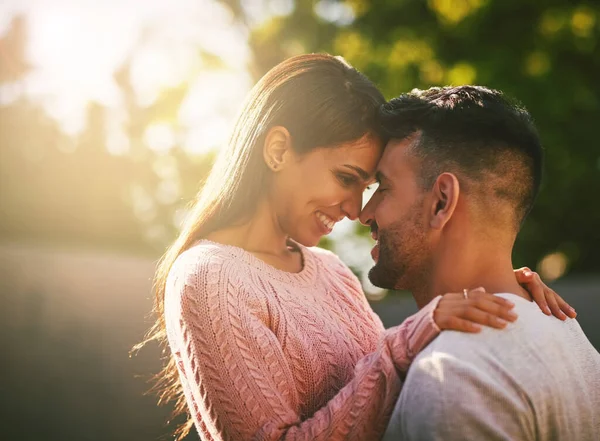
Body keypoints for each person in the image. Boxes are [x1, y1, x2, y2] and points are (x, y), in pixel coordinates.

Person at [135, 54, 573, 441]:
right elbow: (392, 364)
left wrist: (494, 290)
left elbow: (376, 393)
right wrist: (409, 338)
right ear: (278, 149)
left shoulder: (329, 269)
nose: (353, 209)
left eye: (367, 186)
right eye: (346, 178)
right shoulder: (210, 277)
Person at [354, 86, 600, 441]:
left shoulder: (451, 377)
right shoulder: (575, 343)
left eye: (384, 187)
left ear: (441, 201)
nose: (365, 213)